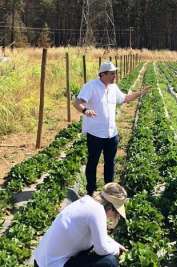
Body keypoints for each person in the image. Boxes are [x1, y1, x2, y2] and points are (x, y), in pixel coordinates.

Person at [73, 62, 149, 196]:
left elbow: (125, 98)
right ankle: (90, 191)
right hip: (96, 133)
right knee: (93, 163)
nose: (115, 76)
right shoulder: (91, 86)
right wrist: (86, 110)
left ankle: (109, 192)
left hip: (111, 133)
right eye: (112, 73)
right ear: (103, 74)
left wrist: (139, 93)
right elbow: (77, 102)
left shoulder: (113, 88)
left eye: (115, 73)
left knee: (110, 163)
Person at [33, 183, 128, 267]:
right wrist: (116, 250)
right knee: (109, 262)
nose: (116, 215)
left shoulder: (87, 202)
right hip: (53, 264)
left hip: (40, 261)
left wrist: (115, 244)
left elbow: (100, 234)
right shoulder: (97, 211)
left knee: (92, 248)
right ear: (110, 207)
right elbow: (101, 249)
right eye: (116, 213)